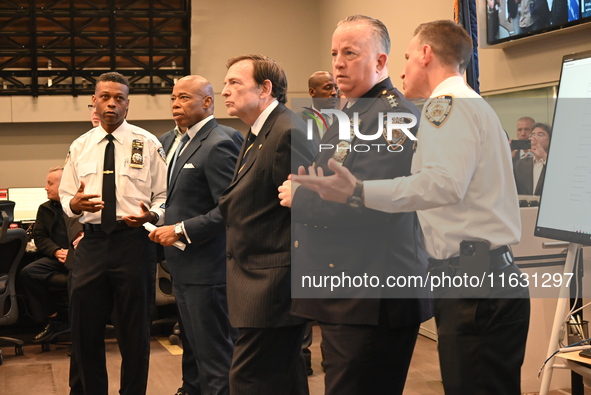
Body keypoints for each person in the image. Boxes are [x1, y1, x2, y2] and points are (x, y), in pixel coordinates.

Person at [292, 20, 530, 395]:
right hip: (478, 277)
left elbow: (442, 184)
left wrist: (359, 191)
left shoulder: (446, 104)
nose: (401, 70)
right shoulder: (466, 103)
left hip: (474, 283)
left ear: (425, 54)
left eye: (405, 57)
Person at [279, 15, 432, 395]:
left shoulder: (393, 117)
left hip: (372, 293)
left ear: (380, 62)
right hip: (345, 289)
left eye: (350, 52)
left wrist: (301, 199)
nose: (338, 63)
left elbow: (373, 200)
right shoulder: (350, 114)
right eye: (334, 53)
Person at [60, 71, 167, 395]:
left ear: (128, 104)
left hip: (133, 244)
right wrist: (75, 205)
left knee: (135, 335)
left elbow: (163, 196)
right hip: (92, 244)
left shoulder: (147, 143)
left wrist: (151, 215)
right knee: (85, 332)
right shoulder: (80, 146)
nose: (111, 103)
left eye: (118, 98)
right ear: (94, 101)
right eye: (105, 97)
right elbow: (66, 197)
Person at [218, 54, 315, 395]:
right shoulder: (259, 131)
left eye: (234, 83)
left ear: (265, 89)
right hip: (258, 280)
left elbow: (309, 215)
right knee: (285, 377)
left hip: (273, 284)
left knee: (248, 379)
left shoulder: (287, 132)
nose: (224, 90)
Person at [149, 75, 241, 395]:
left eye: (185, 98)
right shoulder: (174, 141)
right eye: (173, 98)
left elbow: (230, 209)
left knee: (215, 355)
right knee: (194, 350)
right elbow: (173, 199)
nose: (176, 104)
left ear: (207, 102)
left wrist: (180, 229)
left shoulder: (220, 142)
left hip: (209, 267)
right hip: (183, 266)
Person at [19, 166, 83, 343]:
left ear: (64, 185)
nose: (46, 187)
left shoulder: (81, 207)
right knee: (28, 273)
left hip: (80, 260)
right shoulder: (45, 209)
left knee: (78, 280)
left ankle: (80, 332)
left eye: (50, 183)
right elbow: (39, 237)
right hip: (57, 258)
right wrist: (56, 251)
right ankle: (55, 318)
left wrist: (72, 252)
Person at [300, 71, 338, 146]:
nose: (334, 92)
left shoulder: (346, 119)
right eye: (328, 88)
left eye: (336, 88)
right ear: (312, 92)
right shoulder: (298, 120)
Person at [514, 122, 551, 195]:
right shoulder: (520, 164)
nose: (535, 138)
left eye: (540, 135)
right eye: (532, 135)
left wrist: (544, 156)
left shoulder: (556, 164)